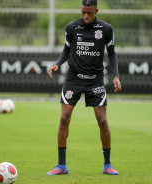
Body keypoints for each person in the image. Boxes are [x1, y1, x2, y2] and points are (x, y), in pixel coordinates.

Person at [47, 0, 121, 176]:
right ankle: (61, 166)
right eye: (83, 12)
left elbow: (111, 53)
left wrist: (116, 75)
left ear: (96, 11)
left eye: (89, 12)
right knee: (64, 117)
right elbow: (66, 49)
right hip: (74, 79)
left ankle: (107, 165)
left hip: (95, 80)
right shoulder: (72, 28)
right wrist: (58, 64)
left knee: (102, 121)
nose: (86, 16)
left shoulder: (106, 29)